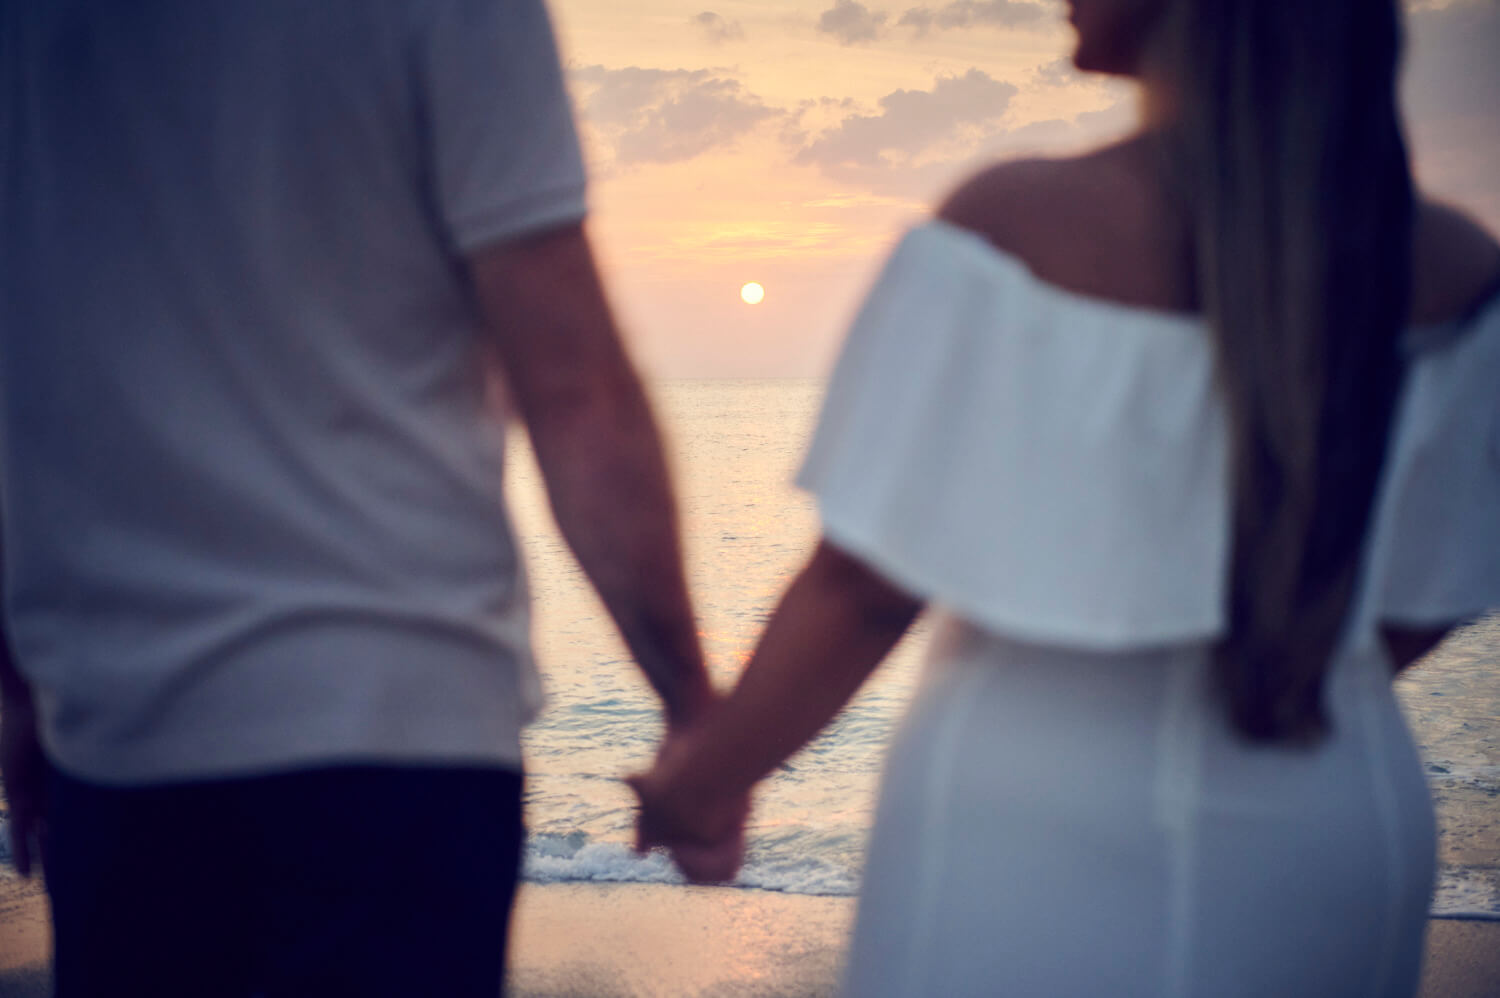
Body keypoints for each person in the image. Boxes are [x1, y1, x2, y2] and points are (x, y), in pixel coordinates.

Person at [631, 0, 1500, 995]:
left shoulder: (1011, 226)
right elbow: (1426, 596)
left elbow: (863, 589)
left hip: (1020, 824)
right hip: (1327, 820)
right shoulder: (1462, 270)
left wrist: (703, 782)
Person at [0, 1, 724, 995]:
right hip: (393, 722)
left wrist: (18, 678)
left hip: (123, 729)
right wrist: (692, 710)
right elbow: (575, 389)